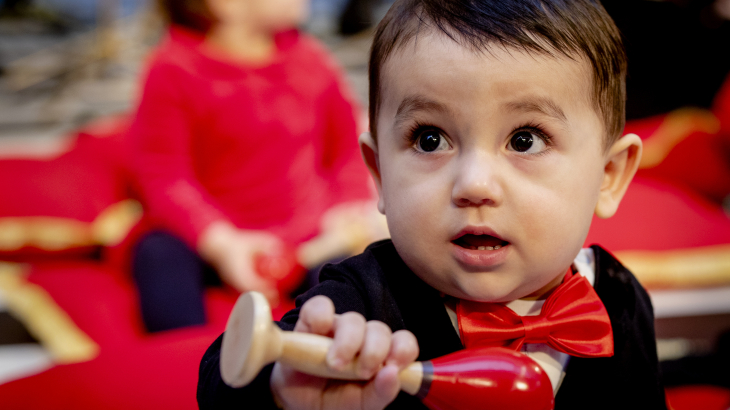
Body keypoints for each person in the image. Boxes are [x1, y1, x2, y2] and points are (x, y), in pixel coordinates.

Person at [198, 0, 668, 408]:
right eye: (430, 139)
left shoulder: (618, 296)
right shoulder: (363, 300)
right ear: (379, 173)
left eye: (525, 140)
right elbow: (221, 379)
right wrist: (283, 389)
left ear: (609, 177)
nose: (474, 184)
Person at [129, 0, 376, 333]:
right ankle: (185, 356)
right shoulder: (171, 70)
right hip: (216, 236)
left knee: (356, 278)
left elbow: (346, 146)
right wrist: (223, 244)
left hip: (305, 236)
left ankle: (326, 347)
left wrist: (345, 207)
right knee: (158, 254)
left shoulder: (311, 60)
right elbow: (164, 177)